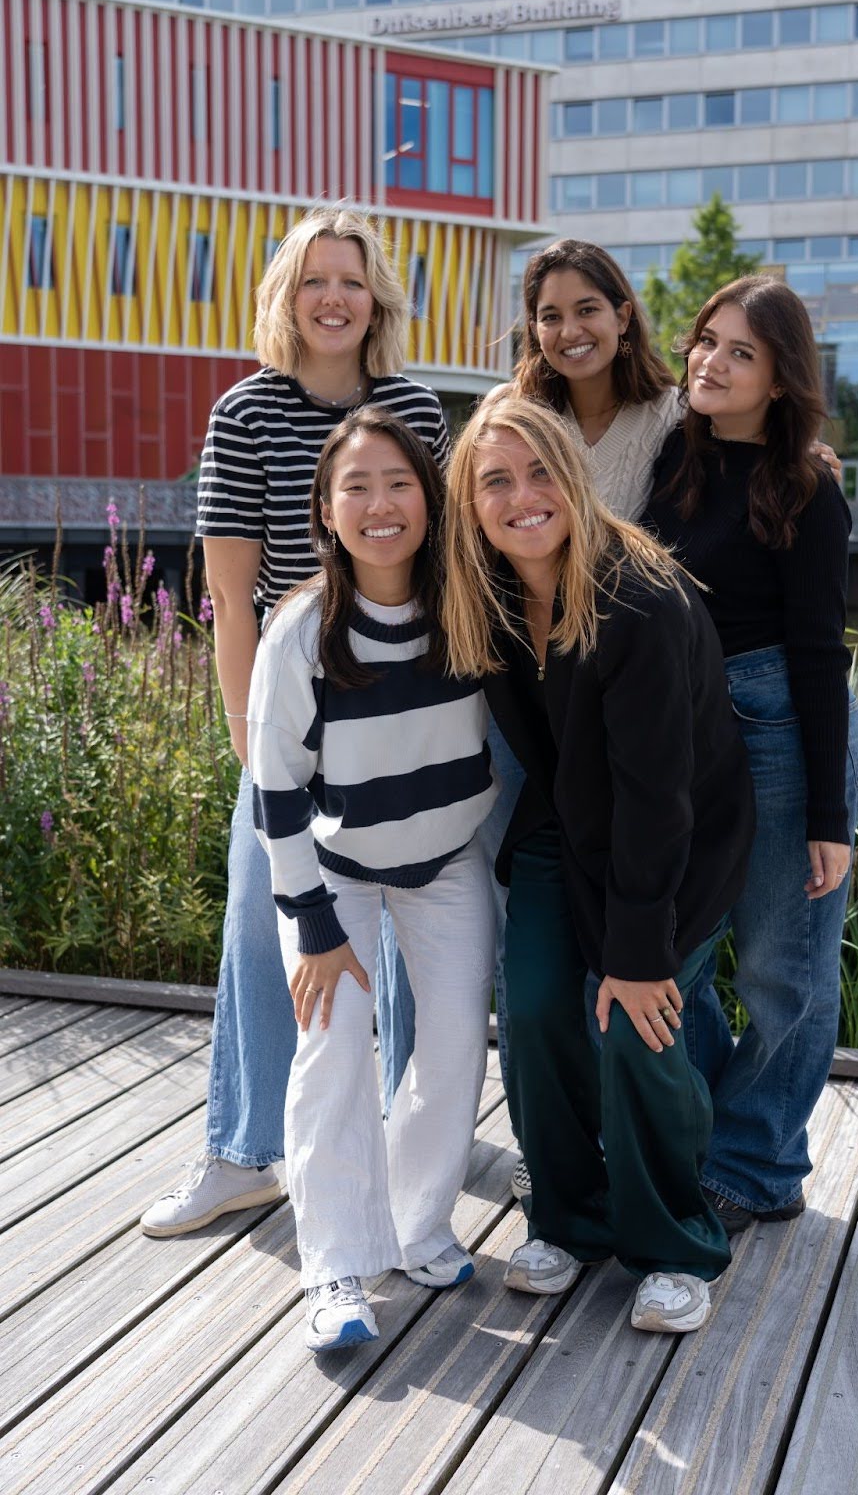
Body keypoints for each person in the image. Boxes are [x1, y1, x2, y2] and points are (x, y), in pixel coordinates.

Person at [140, 204, 453, 1238]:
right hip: (295, 701)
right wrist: (247, 734)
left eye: (352, 281)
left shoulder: (415, 406)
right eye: (315, 279)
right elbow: (229, 596)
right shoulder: (246, 412)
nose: (334, 297)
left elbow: (445, 564)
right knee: (262, 918)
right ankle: (243, 1150)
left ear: (378, 301)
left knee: (417, 922)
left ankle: (422, 1129)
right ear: (287, 295)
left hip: (407, 702)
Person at [442, 394, 756, 1334]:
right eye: (495, 480)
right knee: (534, 1003)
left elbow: (659, 802)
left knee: (634, 1020)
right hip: (563, 827)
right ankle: (570, 1221)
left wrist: (637, 949)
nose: (521, 497)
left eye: (540, 471)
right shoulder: (488, 595)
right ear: (471, 501)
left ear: (574, 480)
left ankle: (675, 1246)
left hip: (678, 848)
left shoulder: (641, 601)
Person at [249, 407, 496, 1349]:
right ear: (325, 506)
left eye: (399, 483)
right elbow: (273, 786)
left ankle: (417, 1224)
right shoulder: (304, 631)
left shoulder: (471, 604)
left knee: (450, 1049)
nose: (380, 504)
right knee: (337, 1048)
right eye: (355, 485)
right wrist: (312, 921)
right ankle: (337, 1269)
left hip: (445, 863)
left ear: (431, 500)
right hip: (333, 872)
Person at [643, 275, 858, 1235]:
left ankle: (759, 1164)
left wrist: (829, 817)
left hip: (784, 729)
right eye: (706, 342)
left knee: (784, 970)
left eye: (743, 353)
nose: (713, 362)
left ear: (782, 379)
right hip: (689, 731)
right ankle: (708, 1131)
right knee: (673, 958)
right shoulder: (672, 457)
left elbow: (822, 649)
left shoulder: (807, 486)